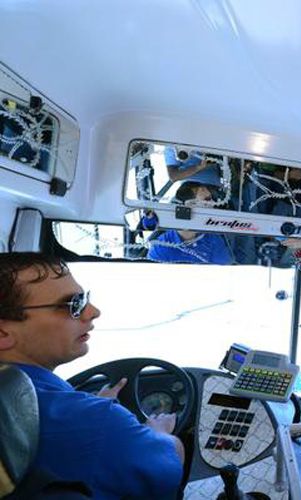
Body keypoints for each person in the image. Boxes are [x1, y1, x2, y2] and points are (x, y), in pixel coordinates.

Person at [0, 252, 184, 499]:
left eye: (85, 298)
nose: (93, 312)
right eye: (72, 305)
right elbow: (170, 466)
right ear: (3, 333)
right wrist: (158, 432)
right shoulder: (96, 422)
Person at [147, 183, 233, 265]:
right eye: (207, 199)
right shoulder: (161, 248)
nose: (213, 203)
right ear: (190, 205)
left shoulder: (213, 239)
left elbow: (227, 271)